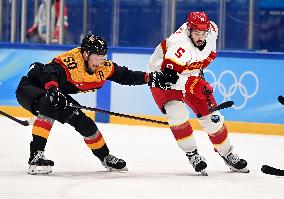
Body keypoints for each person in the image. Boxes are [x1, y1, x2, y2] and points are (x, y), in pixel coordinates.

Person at [16, 34, 176, 175]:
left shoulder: (103, 67)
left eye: (102, 56)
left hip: (55, 92)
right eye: (96, 57)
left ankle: (105, 157)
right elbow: (48, 71)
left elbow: (126, 76)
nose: (100, 61)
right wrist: (52, 88)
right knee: (49, 104)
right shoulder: (71, 61)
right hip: (30, 88)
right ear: (85, 54)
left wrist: (153, 78)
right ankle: (35, 156)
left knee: (85, 123)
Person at [147, 11, 249, 175]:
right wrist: (192, 83)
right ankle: (192, 154)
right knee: (177, 114)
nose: (201, 37)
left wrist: (195, 79)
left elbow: (203, 56)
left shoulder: (213, 29)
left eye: (203, 33)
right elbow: (169, 78)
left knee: (212, 117)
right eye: (196, 33)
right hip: (163, 77)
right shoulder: (179, 47)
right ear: (189, 31)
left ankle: (227, 153)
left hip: (189, 73)